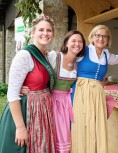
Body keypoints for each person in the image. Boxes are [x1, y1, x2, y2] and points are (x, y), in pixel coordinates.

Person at [71, 24, 118, 153]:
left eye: (104, 36)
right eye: (98, 35)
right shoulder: (83, 50)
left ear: (108, 40)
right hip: (81, 92)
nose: (101, 39)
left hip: (97, 93)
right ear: (92, 37)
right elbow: (65, 57)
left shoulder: (106, 54)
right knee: (82, 124)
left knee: (96, 125)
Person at [0, 14, 56, 153]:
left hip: (41, 111)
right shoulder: (24, 55)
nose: (45, 33)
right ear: (33, 33)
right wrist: (20, 127)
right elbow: (12, 94)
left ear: (53, 34)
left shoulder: (46, 55)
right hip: (25, 111)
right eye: (41, 30)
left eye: (49, 30)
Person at [48, 30, 85, 153]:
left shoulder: (77, 63)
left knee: (66, 134)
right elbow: (36, 68)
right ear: (66, 43)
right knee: (55, 134)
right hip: (52, 101)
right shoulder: (54, 56)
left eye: (80, 42)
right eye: (73, 41)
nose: (77, 44)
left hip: (68, 102)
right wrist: (23, 86)